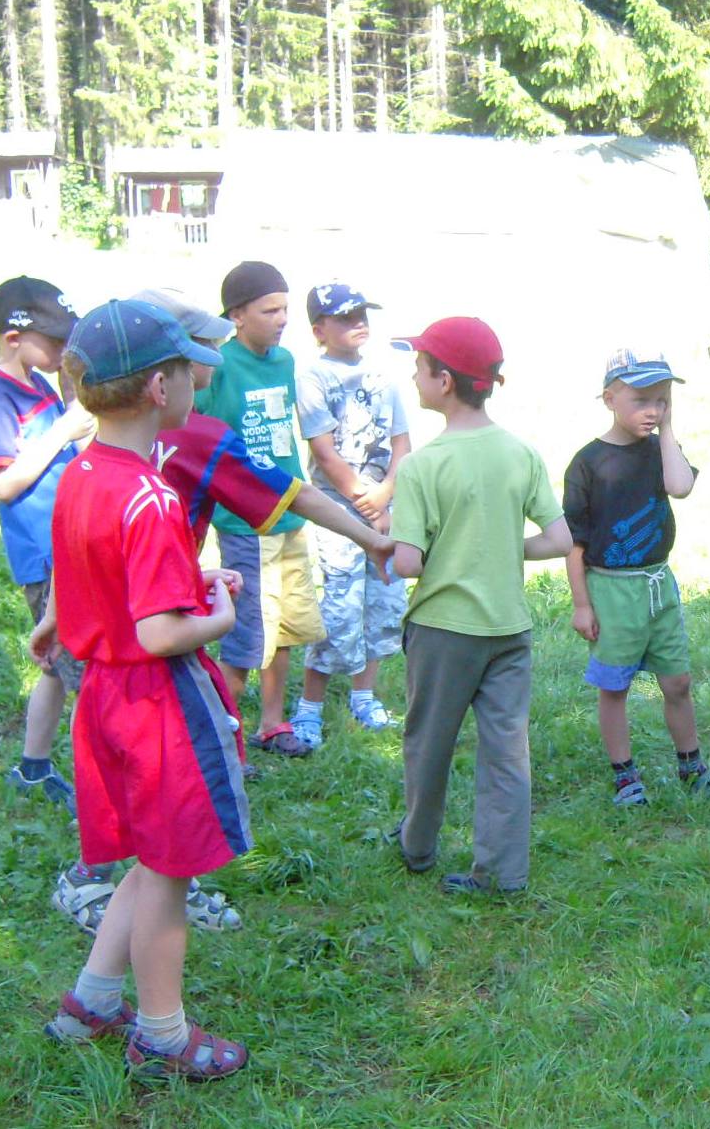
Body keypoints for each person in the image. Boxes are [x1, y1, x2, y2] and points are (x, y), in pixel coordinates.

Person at [33, 285, 396, 937]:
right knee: (165, 771)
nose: (215, 359)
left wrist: (57, 612)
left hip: (114, 619)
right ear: (163, 376)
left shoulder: (104, 444)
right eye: (201, 348)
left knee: (124, 765)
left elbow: (80, 534)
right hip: (154, 635)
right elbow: (294, 495)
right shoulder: (196, 438)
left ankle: (143, 887)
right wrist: (370, 537)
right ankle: (143, 883)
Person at [41, 298, 249, 1080]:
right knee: (170, 869)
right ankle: (163, 1036)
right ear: (161, 388)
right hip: (158, 703)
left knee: (150, 858)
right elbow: (161, 633)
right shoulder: (153, 495)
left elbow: (109, 579)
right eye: (188, 369)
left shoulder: (84, 472)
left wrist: (192, 580)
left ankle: (92, 999)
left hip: (103, 695)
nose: (197, 381)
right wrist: (218, 613)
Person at [388, 317, 571, 895]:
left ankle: (417, 847)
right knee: (507, 753)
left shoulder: (422, 465)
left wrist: (401, 544)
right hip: (509, 629)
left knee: (428, 745)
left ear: (444, 381)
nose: (414, 377)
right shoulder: (521, 453)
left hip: (443, 632)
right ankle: (503, 873)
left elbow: (407, 563)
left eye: (419, 367)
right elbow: (560, 539)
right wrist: (504, 547)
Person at [563, 351, 710, 807]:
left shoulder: (661, 450)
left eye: (661, 400)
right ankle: (625, 776)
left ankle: (692, 767)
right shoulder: (588, 462)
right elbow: (574, 543)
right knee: (615, 686)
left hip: (658, 585)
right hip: (611, 589)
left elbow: (680, 487)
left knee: (678, 682)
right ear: (609, 399)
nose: (652, 410)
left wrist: (668, 431)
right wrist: (582, 604)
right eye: (641, 400)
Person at [193, 260, 325, 756]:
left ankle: (271, 723)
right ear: (236, 316)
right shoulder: (217, 366)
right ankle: (222, 740)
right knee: (246, 635)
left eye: (285, 309)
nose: (282, 319)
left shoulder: (285, 361)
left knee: (284, 626)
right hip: (246, 522)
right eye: (270, 310)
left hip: (291, 512)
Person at [0, 275, 89, 814]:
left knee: (58, 666)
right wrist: (63, 429)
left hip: (66, 545)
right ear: (14, 338)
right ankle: (98, 787)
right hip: (44, 558)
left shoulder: (39, 383)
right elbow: (4, 483)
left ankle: (33, 767)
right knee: (84, 675)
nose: (64, 349)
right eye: (55, 340)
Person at [293, 281, 410, 741]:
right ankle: (309, 706)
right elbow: (325, 454)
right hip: (338, 513)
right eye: (344, 317)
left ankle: (364, 695)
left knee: (383, 604)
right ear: (318, 330)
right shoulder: (313, 377)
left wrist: (387, 495)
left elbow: (402, 442)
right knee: (339, 608)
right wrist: (368, 505)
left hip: (386, 506)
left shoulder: (384, 375)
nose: (358, 322)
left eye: (362, 314)